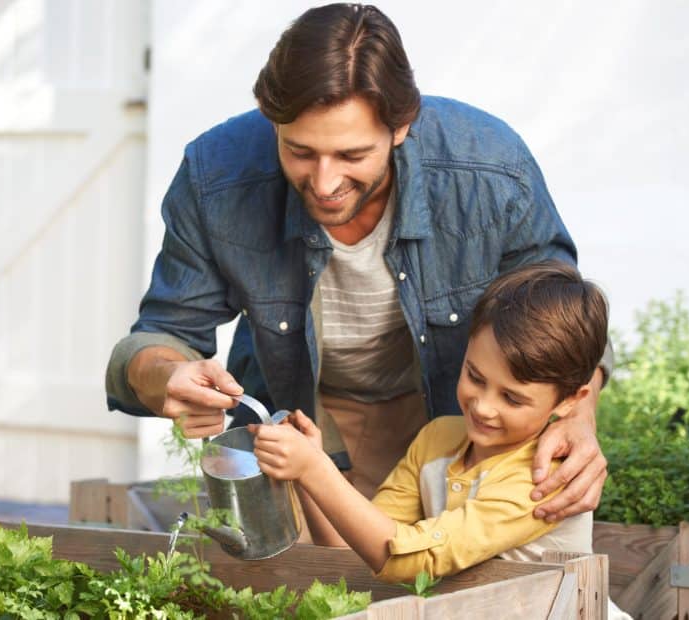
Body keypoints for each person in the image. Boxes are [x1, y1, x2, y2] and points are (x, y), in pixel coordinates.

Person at [105, 3, 612, 523]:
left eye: (351, 156)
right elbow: (158, 337)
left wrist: (580, 412)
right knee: (302, 592)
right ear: (271, 118)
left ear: (401, 126)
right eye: (300, 151)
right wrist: (167, 375)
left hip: (447, 415)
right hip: (297, 416)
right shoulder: (215, 177)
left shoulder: (490, 171)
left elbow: (561, 316)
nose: (324, 183)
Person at [249, 262, 631, 619]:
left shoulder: (546, 477)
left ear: (570, 401)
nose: (483, 407)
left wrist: (316, 470)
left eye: (512, 398)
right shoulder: (439, 439)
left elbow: (412, 559)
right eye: (475, 376)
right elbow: (358, 552)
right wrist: (309, 472)